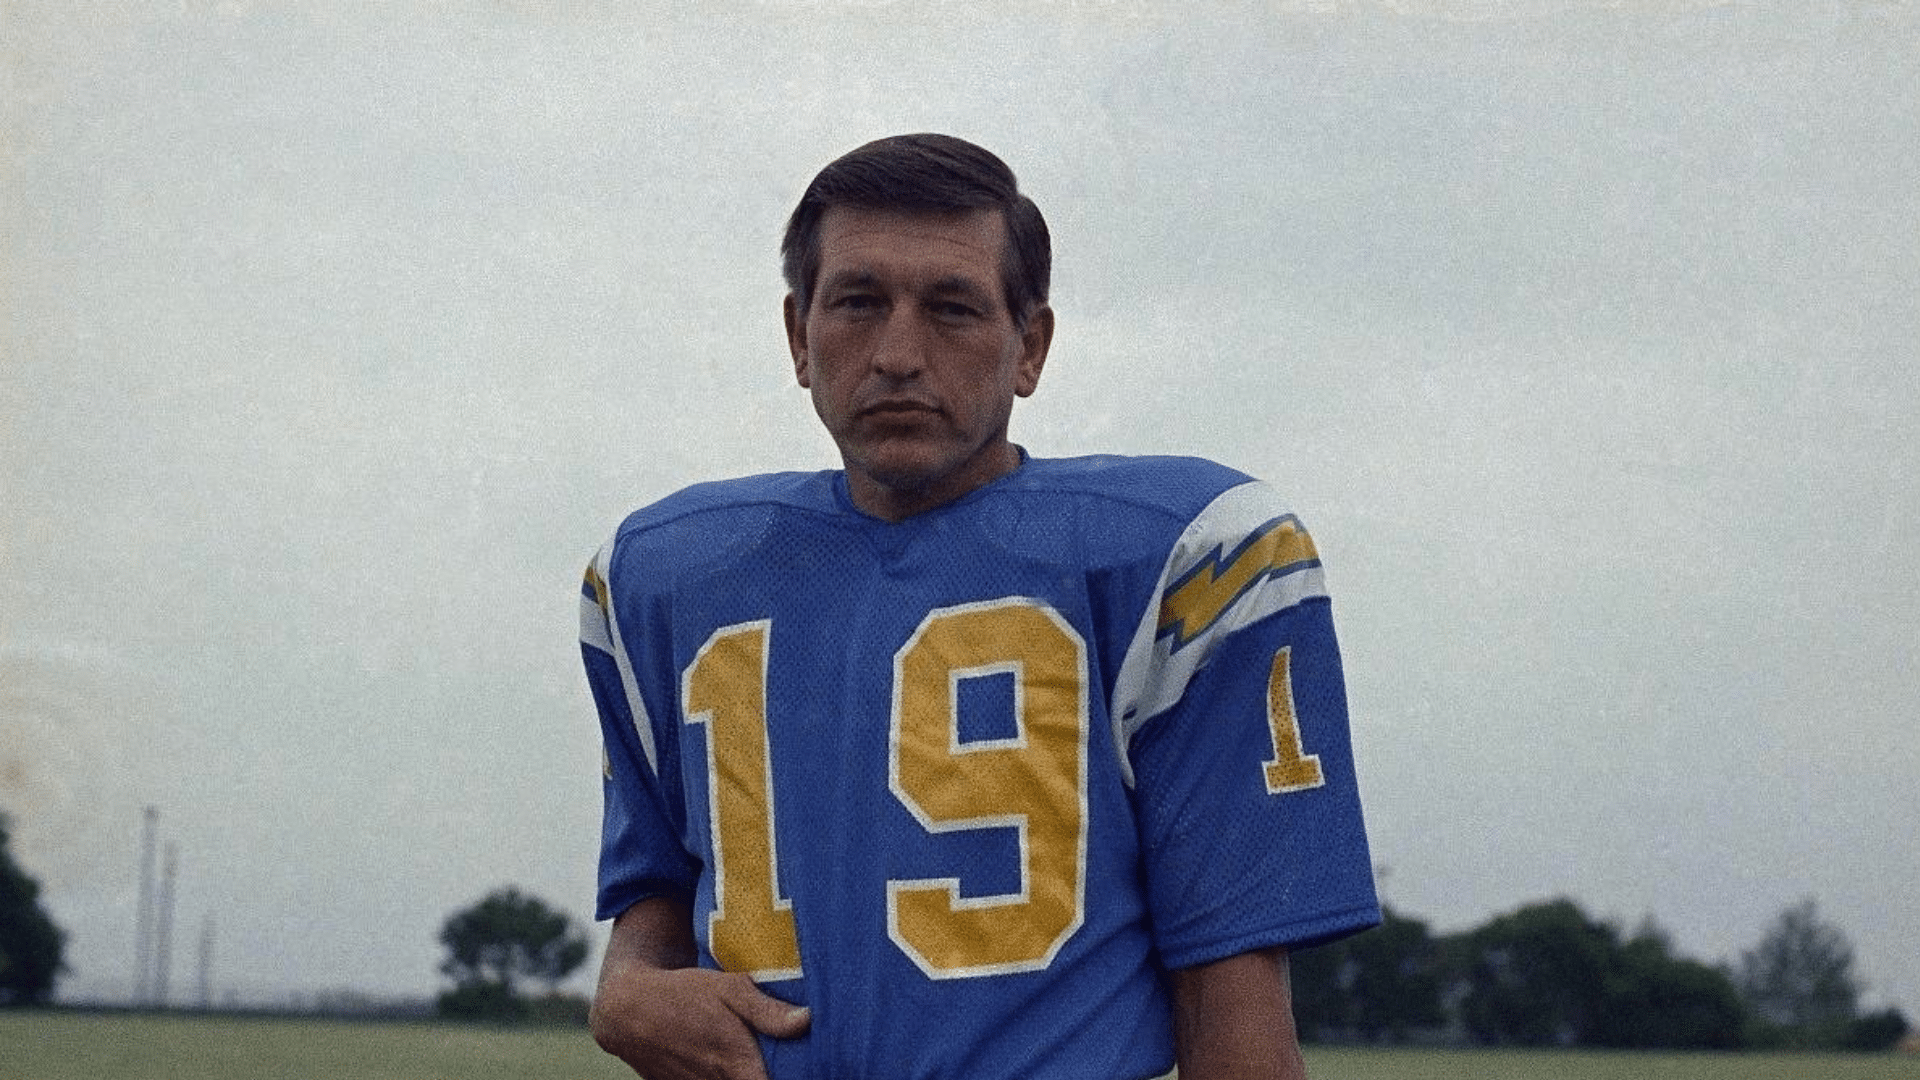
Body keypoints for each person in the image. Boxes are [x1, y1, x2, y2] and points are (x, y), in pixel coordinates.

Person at [579, 133, 1378, 1080]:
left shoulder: (1184, 560)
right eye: (858, 303)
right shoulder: (665, 574)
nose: (898, 355)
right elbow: (659, 900)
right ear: (800, 335)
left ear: (1028, 346)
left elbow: (1232, 1006)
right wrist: (624, 987)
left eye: (952, 308)